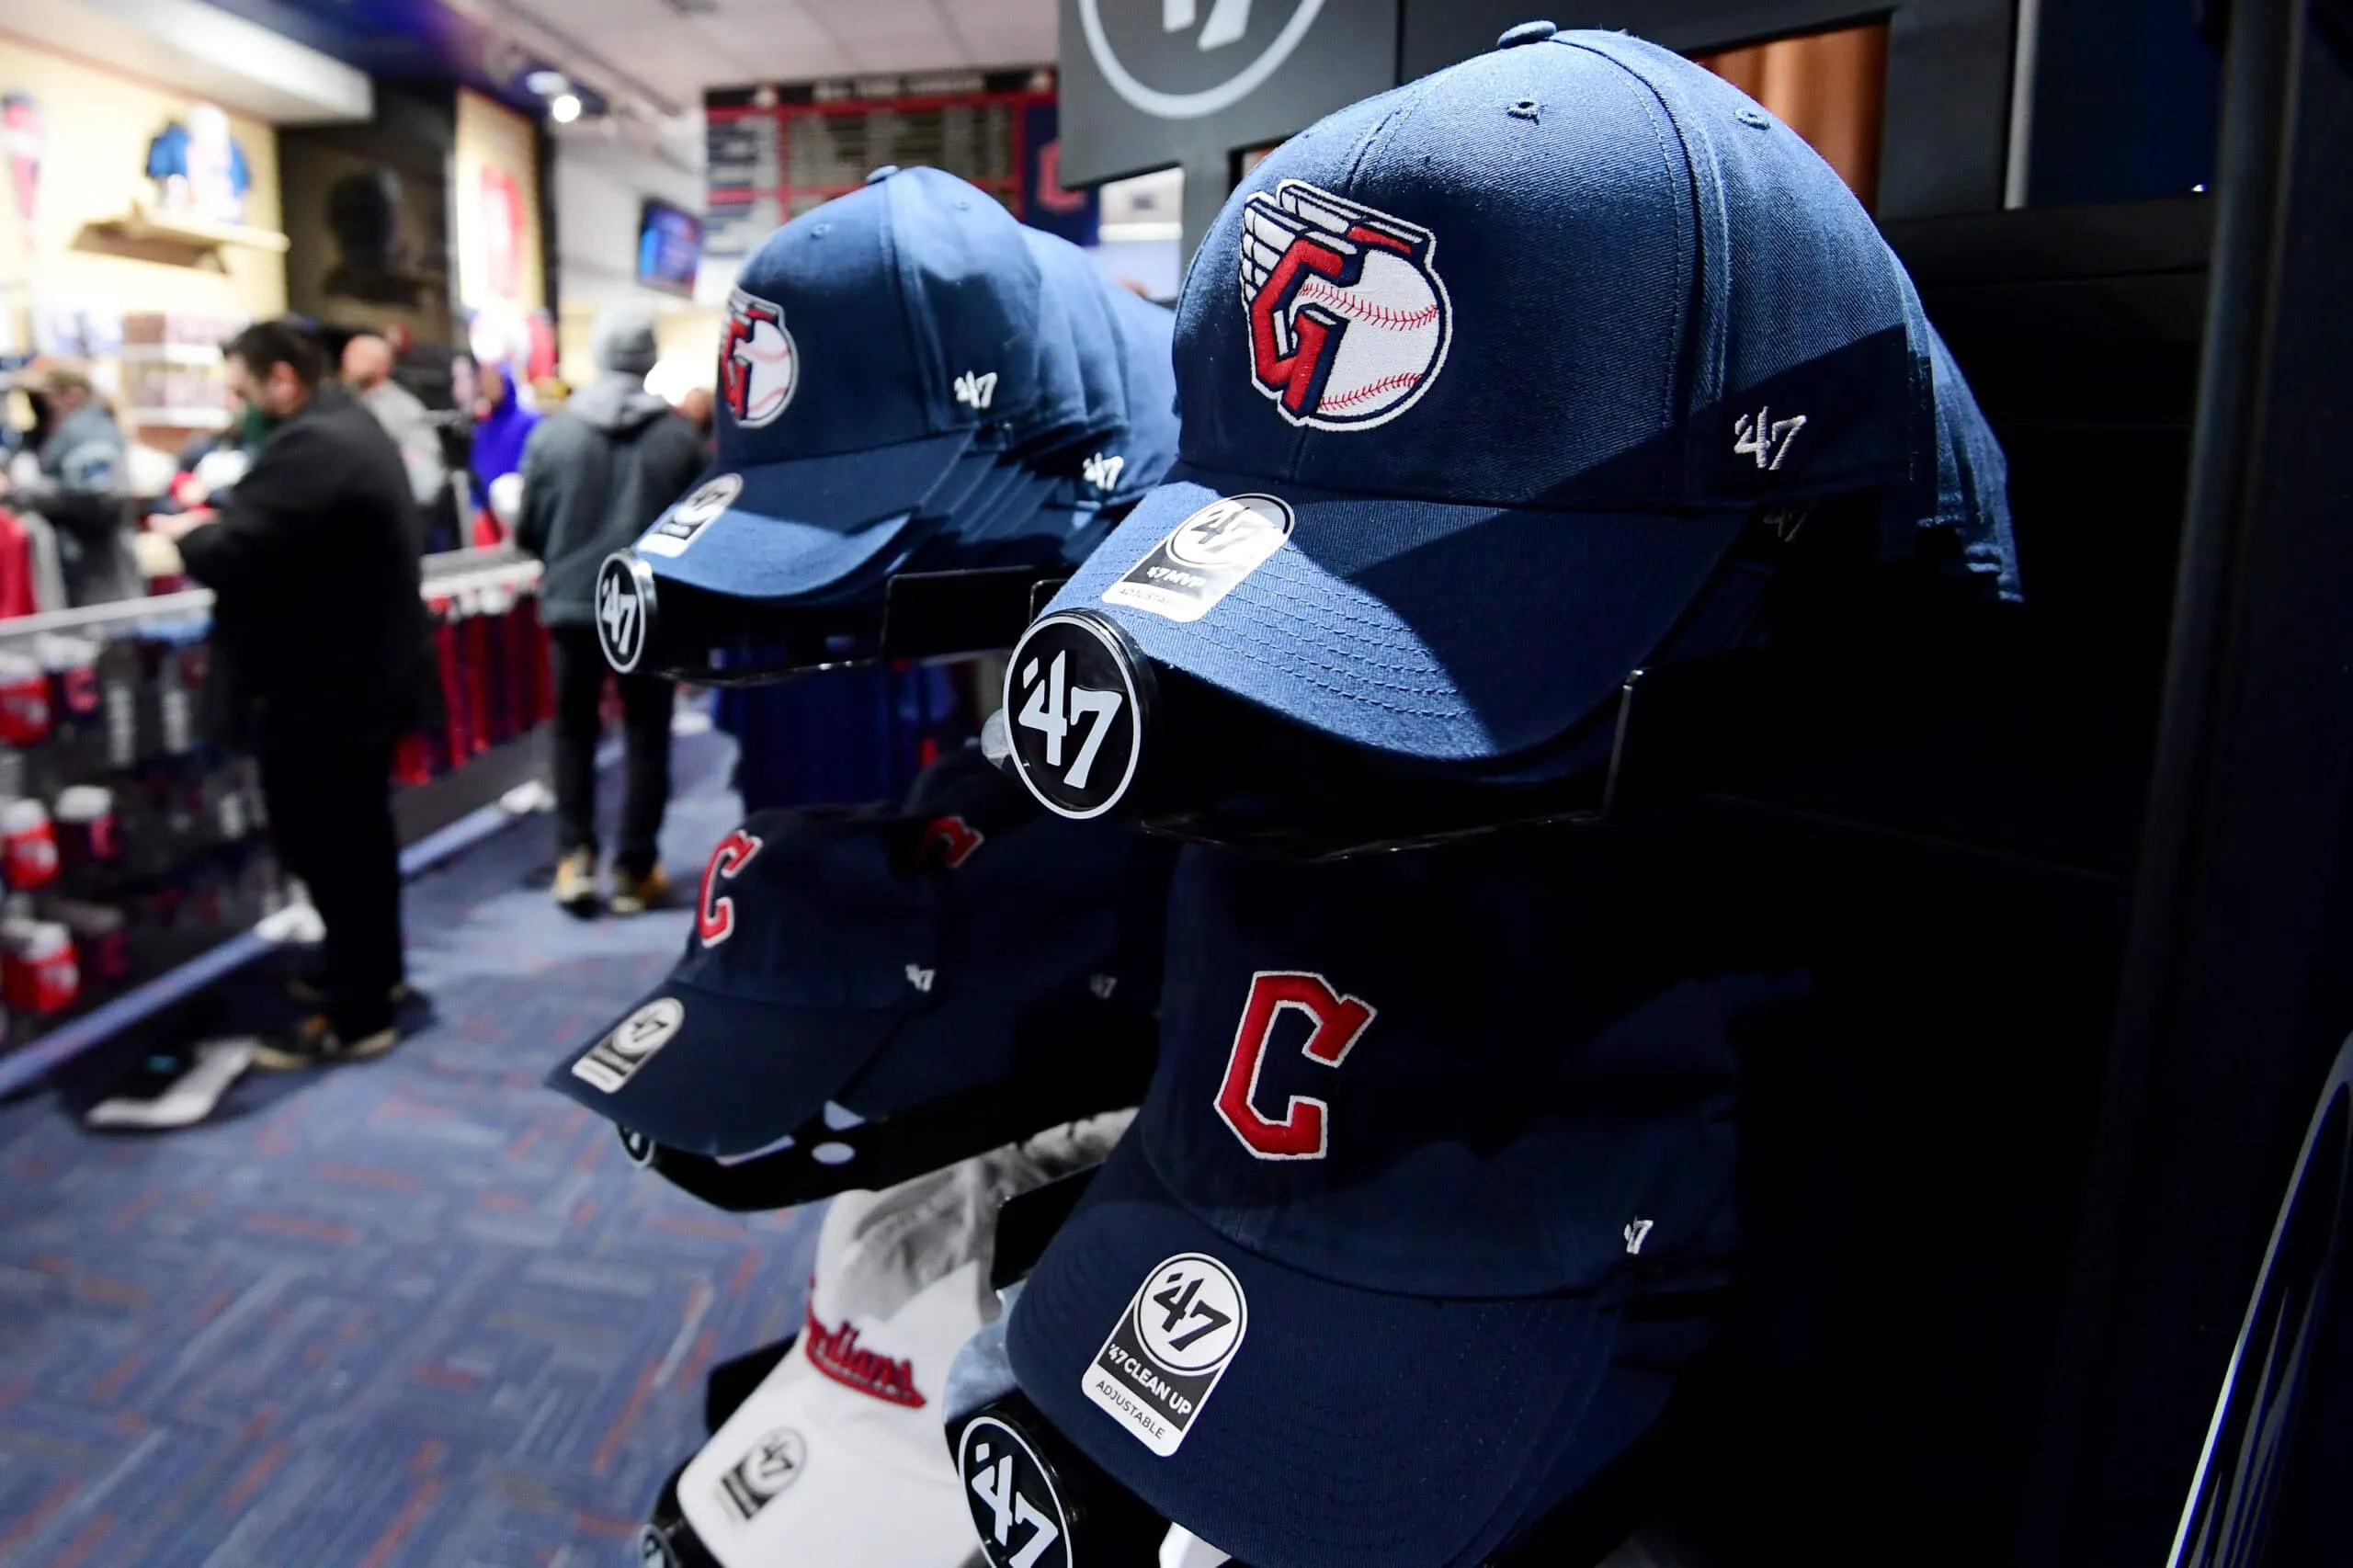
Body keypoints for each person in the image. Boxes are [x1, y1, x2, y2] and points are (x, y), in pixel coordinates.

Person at [152, 321, 430, 1068]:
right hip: (351, 685)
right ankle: (370, 979)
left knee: (331, 848)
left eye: (241, 389)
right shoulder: (347, 428)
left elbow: (237, 549)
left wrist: (185, 535)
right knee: (358, 847)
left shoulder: (313, 446)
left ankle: (357, 1013)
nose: (234, 404)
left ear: (281, 380)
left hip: (324, 694)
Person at [515, 308, 703, 916]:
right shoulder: (679, 439)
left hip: (572, 605)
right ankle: (635, 867)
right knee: (648, 737)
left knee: (573, 734)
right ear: (648, 362)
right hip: (651, 612)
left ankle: (574, 859)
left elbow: (530, 529)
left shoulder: (553, 434)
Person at [1, 363, 142, 605]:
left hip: (95, 565)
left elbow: (99, 496)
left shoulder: (90, 432)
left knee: (101, 633)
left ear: (71, 396)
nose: (45, 405)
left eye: (48, 397)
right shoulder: (62, 433)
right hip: (77, 563)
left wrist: (22, 491)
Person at [340, 333, 445, 551]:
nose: (348, 364)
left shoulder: (403, 410)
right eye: (348, 356)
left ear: (383, 366)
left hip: (388, 529)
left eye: (359, 357)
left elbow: (426, 482)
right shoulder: (340, 404)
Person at [467, 360, 535, 546]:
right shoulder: (483, 428)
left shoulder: (530, 422)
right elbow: (477, 470)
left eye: (493, 381)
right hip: (487, 520)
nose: (487, 387)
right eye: (483, 381)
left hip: (520, 515)